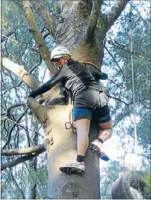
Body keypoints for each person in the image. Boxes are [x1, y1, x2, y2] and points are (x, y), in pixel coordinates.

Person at [26, 46, 112, 175]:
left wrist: (32, 95)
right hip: (100, 98)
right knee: (107, 128)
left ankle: (79, 162)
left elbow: (47, 85)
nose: (56, 63)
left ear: (66, 57)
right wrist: (103, 75)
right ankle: (99, 141)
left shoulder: (65, 70)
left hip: (83, 98)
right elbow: (100, 74)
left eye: (57, 60)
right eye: (54, 61)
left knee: (83, 130)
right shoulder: (85, 67)